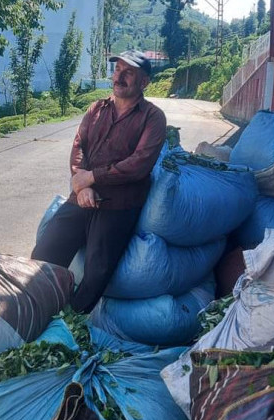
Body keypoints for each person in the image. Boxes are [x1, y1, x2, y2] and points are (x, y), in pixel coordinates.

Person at [31, 50, 167, 313]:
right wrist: (82, 185)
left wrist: (92, 177)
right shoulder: (96, 108)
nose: (120, 76)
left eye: (129, 72)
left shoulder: (152, 117)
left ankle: (71, 319)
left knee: (96, 273)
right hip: (82, 197)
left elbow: (140, 163)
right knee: (44, 253)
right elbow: (79, 145)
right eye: (118, 70)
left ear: (144, 82)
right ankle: (37, 308)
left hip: (118, 205)